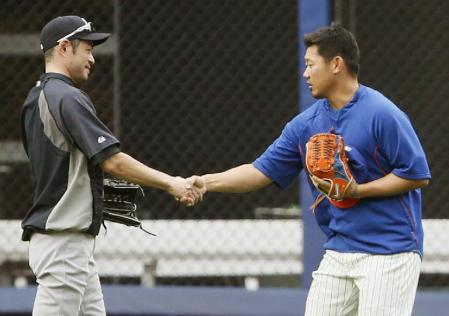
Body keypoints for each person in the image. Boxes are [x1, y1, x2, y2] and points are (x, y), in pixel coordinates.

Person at [186, 25, 431, 316]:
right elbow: (259, 171)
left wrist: (358, 191)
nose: (305, 73)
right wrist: (206, 182)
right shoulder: (305, 124)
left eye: (310, 65)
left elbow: (416, 174)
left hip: (390, 250)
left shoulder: (382, 113)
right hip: (340, 248)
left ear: (336, 64)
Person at [21, 16, 201, 315]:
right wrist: (171, 182)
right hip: (64, 241)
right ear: (64, 48)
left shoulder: (36, 96)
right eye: (87, 49)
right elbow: (113, 161)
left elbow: (65, 163)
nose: (92, 58)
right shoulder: (67, 97)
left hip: (67, 241)